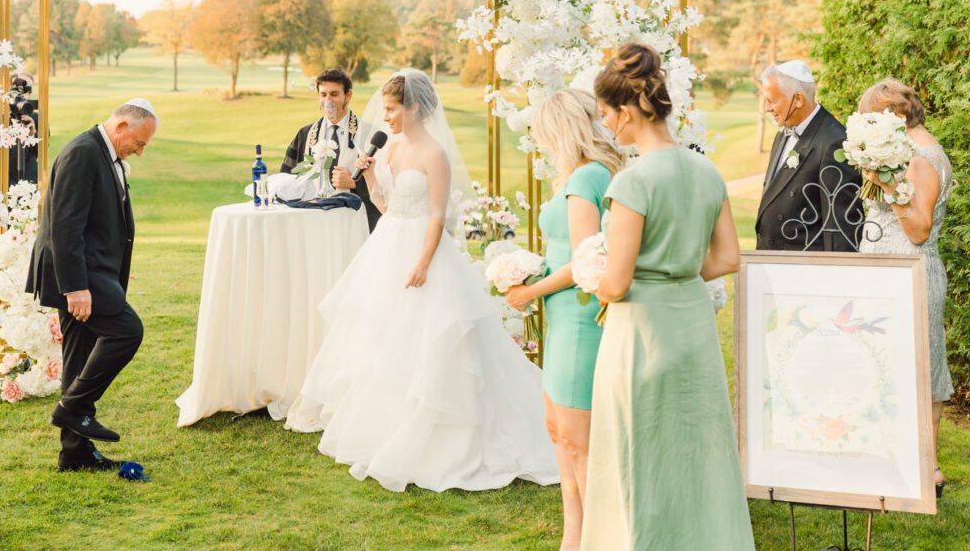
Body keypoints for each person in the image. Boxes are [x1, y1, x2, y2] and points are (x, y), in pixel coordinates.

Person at [284, 69, 558, 492]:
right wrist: (369, 175)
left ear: (413, 108)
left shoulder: (434, 154)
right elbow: (385, 204)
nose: (385, 117)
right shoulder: (391, 146)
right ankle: (387, 423)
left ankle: (442, 429)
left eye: (392, 109)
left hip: (423, 252)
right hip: (387, 246)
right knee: (385, 335)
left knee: (431, 335)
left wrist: (424, 263)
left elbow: (437, 217)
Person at [579, 43, 753, 550]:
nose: (606, 124)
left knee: (639, 448)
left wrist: (595, 279)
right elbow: (728, 258)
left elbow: (616, 282)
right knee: (697, 448)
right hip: (692, 325)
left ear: (627, 110)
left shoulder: (634, 182)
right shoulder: (706, 170)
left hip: (642, 329)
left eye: (607, 113)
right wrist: (679, 267)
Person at [503, 88, 623, 551]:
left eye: (544, 132)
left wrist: (529, 291)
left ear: (561, 130)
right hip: (563, 319)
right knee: (560, 434)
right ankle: (573, 538)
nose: (541, 142)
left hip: (578, 320)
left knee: (580, 443)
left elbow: (584, 259)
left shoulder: (586, 177)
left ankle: (599, 540)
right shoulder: (585, 175)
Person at [27, 99, 157, 473]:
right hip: (78, 275)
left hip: (92, 272)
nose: (140, 151)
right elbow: (64, 225)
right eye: (139, 142)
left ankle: (75, 453)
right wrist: (75, 287)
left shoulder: (103, 153)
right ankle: (74, 408)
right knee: (126, 330)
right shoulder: (83, 153)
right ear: (121, 126)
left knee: (79, 355)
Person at [856, 78, 953, 499]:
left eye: (872, 120)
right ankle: (904, 460)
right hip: (888, 273)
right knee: (894, 365)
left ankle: (927, 467)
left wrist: (887, 184)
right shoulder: (908, 153)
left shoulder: (922, 159)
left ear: (894, 116)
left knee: (920, 368)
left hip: (908, 273)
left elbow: (918, 229)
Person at [755, 60, 862, 251]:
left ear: (798, 99)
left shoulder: (834, 142)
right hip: (771, 258)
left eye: (772, 101)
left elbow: (839, 227)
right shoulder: (784, 130)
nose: (767, 108)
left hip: (803, 262)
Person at [279, 67, 381, 230]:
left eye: (334, 94)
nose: (328, 100)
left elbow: (386, 184)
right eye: (323, 94)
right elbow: (286, 180)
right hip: (312, 223)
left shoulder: (369, 134)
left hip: (353, 224)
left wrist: (356, 184)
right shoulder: (305, 135)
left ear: (348, 95)